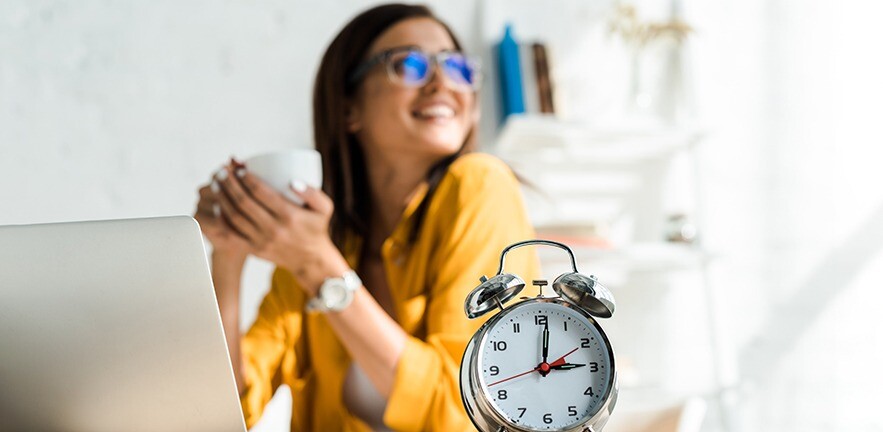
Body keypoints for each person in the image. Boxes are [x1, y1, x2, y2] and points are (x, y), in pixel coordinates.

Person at [193, 3, 539, 431]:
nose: (442, 82)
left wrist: (320, 268)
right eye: (411, 64)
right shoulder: (323, 239)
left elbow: (469, 413)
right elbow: (226, 412)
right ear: (347, 109)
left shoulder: (481, 185)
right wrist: (226, 258)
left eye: (457, 67)